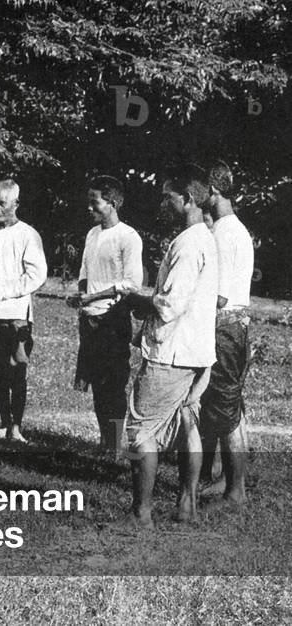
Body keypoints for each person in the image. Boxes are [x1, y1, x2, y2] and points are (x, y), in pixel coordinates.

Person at [123, 165, 218, 527]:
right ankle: (186, 506)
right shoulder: (204, 238)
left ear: (188, 199)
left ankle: (141, 514)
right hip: (197, 353)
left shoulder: (189, 242)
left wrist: (138, 298)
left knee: (140, 432)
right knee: (187, 424)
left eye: (168, 197)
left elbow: (170, 304)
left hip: (172, 353)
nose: (163, 203)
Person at [65, 176, 143, 453]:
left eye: (94, 202)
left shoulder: (128, 237)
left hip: (113, 319)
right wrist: (81, 295)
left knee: (113, 382)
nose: (90, 208)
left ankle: (115, 443)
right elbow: (85, 273)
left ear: (112, 203)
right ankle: (104, 441)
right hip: (89, 319)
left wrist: (94, 296)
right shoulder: (92, 234)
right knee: (97, 382)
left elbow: (131, 282)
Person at [0, 179, 47, 443]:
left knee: (17, 369)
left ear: (16, 203)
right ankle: (4, 422)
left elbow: (36, 276)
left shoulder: (28, 234)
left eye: (1, 203)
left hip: (16, 314)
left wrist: (1, 287)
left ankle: (17, 426)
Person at [199, 161, 254, 504]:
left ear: (213, 191)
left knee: (226, 411)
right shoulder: (235, 229)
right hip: (237, 327)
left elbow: (217, 295)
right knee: (231, 407)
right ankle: (229, 482)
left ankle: (236, 490)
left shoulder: (222, 233)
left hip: (225, 329)